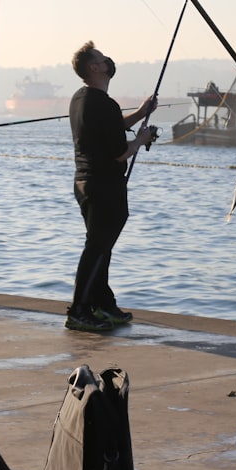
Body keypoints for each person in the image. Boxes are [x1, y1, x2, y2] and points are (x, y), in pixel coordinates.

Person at [66, 41, 158, 332]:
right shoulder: (104, 103)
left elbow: (110, 127)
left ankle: (103, 304)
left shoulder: (81, 99)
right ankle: (79, 310)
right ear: (95, 68)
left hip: (84, 183)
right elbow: (119, 153)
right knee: (97, 248)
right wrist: (142, 140)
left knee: (100, 246)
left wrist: (142, 113)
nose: (108, 61)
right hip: (105, 186)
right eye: (103, 59)